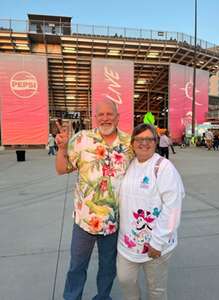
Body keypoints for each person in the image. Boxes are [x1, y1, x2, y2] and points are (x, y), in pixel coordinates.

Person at [55, 99, 133, 300]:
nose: (105, 118)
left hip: (115, 223)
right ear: (95, 117)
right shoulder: (82, 139)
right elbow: (61, 169)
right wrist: (63, 148)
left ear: (117, 117)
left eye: (110, 114)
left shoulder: (128, 143)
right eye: (101, 114)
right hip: (84, 220)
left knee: (108, 268)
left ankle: (103, 297)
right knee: (77, 266)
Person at [117, 123, 185, 300]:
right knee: (125, 280)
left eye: (149, 139)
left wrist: (158, 241)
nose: (144, 143)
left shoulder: (163, 167)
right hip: (128, 244)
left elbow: (173, 207)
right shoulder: (128, 165)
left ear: (156, 142)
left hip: (155, 246)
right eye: (139, 139)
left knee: (156, 289)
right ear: (132, 143)